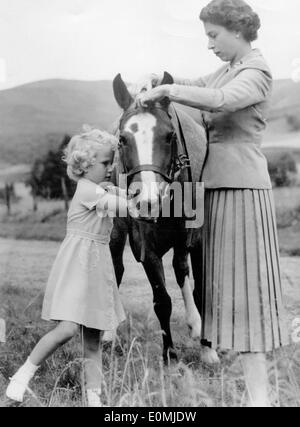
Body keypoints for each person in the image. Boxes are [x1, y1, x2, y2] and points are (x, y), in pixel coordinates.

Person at [137, 0, 290, 407]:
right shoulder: (227, 69)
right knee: (230, 296)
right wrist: (165, 77)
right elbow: (201, 83)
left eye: (213, 35)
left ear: (237, 30)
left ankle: (261, 400)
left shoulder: (255, 71)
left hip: (243, 191)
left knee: (247, 296)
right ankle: (257, 396)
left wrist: (169, 89)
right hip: (219, 190)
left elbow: (219, 99)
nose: (209, 45)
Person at [6, 128, 127, 407]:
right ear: (84, 165)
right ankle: (21, 377)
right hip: (77, 266)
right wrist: (139, 200)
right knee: (67, 328)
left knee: (93, 339)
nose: (111, 168)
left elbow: (120, 196)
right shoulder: (87, 191)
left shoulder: (100, 188)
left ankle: (94, 400)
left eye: (112, 163)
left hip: (97, 267)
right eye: (106, 164)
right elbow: (122, 206)